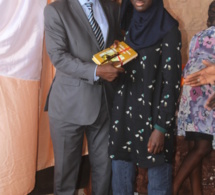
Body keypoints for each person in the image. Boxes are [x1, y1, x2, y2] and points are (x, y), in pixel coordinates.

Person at [43, 0, 124, 194]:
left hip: (104, 102)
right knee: (66, 178)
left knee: (104, 172)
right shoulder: (55, 10)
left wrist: (118, 52)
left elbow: (113, 44)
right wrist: (96, 71)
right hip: (68, 106)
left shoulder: (112, 7)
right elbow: (58, 56)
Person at [108, 0, 182, 194]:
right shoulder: (127, 25)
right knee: (120, 183)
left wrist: (161, 127)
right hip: (124, 118)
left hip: (153, 121)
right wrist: (113, 64)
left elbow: (171, 84)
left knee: (158, 185)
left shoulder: (169, 30)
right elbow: (123, 76)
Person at [174, 1, 215, 194]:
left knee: (195, 146)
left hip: (189, 95)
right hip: (206, 96)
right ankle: (173, 188)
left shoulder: (198, 36)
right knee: (203, 147)